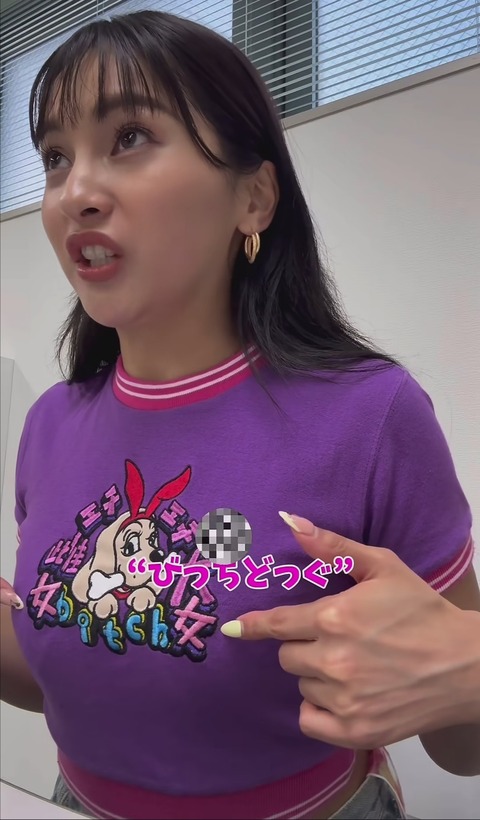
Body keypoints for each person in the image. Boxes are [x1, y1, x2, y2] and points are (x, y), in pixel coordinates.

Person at [0, 9, 478, 820]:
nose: (75, 192)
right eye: (54, 158)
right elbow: (80, 675)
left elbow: (464, 749)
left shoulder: (372, 415)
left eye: (129, 138)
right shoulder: (49, 423)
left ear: (253, 197)